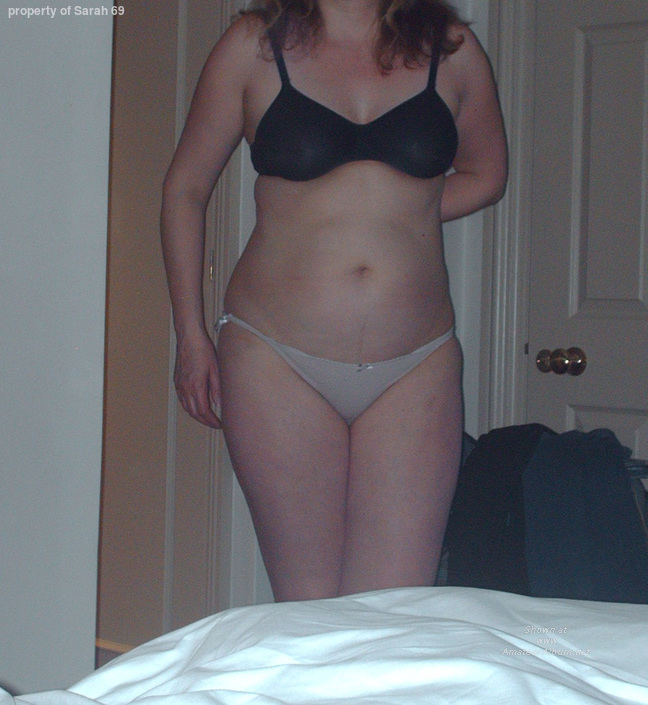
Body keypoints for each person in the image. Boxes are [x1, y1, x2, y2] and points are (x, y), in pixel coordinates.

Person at [161, 0, 507, 602]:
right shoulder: (254, 44)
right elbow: (185, 190)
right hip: (276, 358)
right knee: (311, 608)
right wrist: (191, 335)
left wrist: (395, 214)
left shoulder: (450, 47)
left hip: (416, 364)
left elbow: (487, 175)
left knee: (391, 612)